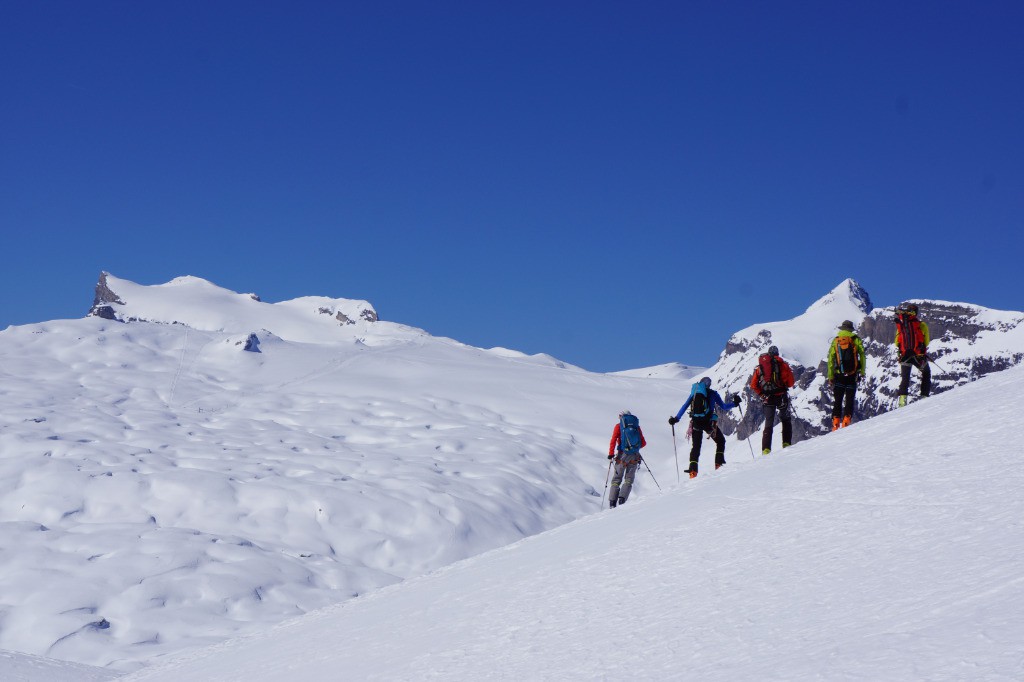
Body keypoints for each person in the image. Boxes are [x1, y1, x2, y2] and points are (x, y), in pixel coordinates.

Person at [668, 377, 740, 478]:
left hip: (696, 423)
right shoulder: (713, 393)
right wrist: (735, 403)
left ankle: (693, 471)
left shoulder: (694, 394)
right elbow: (724, 407)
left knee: (696, 447)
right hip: (708, 423)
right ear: (709, 385)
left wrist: (676, 419)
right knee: (720, 441)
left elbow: (684, 406)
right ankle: (718, 465)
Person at [749, 345, 795, 454]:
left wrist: (762, 394)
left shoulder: (760, 367)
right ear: (777, 353)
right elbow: (791, 382)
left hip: (768, 398)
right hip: (781, 396)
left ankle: (766, 449)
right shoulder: (783, 364)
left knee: (768, 423)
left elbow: (753, 385)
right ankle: (786, 443)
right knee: (785, 419)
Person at [826, 321, 867, 430]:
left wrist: (830, 376)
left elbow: (830, 359)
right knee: (849, 399)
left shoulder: (836, 341)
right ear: (850, 329)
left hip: (839, 375)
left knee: (838, 400)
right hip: (852, 375)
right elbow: (862, 355)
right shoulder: (856, 339)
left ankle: (835, 424)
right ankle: (846, 422)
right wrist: (862, 372)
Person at [607, 410, 646, 507]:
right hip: (634, 456)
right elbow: (643, 443)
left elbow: (613, 440)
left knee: (616, 479)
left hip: (621, 455)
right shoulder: (636, 427)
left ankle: (612, 503)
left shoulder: (618, 426)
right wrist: (633, 448)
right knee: (629, 479)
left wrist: (611, 454)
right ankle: (622, 500)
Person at [894, 303, 930, 407]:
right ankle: (924, 397)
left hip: (905, 355)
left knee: (905, 377)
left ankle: (902, 401)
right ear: (916, 313)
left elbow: (896, 342)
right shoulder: (921, 325)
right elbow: (926, 342)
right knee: (926, 373)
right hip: (918, 356)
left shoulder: (901, 325)